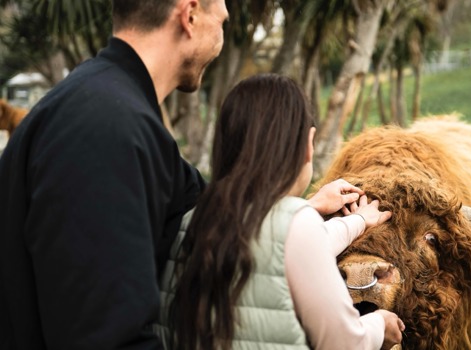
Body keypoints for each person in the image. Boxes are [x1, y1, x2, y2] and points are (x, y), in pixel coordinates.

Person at [0, 0, 229, 348]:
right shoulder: (107, 128)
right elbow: (106, 336)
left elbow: (208, 202)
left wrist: (297, 216)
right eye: (222, 21)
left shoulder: (110, 103)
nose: (221, 37)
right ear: (190, 15)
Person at [170, 74, 405, 350]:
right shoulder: (298, 226)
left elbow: (276, 246)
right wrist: (378, 325)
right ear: (308, 143)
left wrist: (357, 220)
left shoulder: (190, 219)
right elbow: (344, 343)